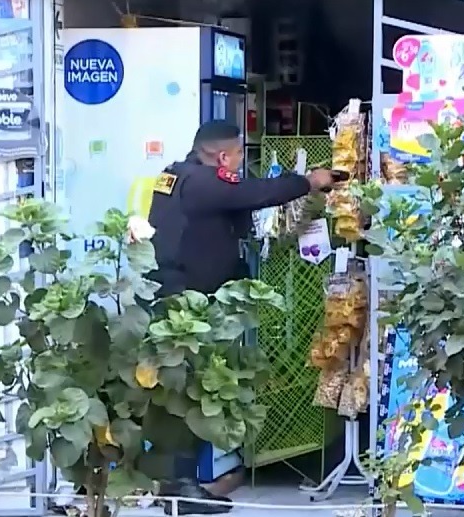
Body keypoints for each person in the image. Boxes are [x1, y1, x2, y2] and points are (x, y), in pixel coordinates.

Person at [141, 120, 335, 515]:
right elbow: (253, 192)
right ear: (223, 156)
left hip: (180, 299)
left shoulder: (174, 177)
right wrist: (309, 181)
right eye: (240, 154)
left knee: (191, 393)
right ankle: (180, 488)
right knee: (186, 393)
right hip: (184, 308)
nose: (242, 163)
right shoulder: (201, 183)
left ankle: (181, 485)